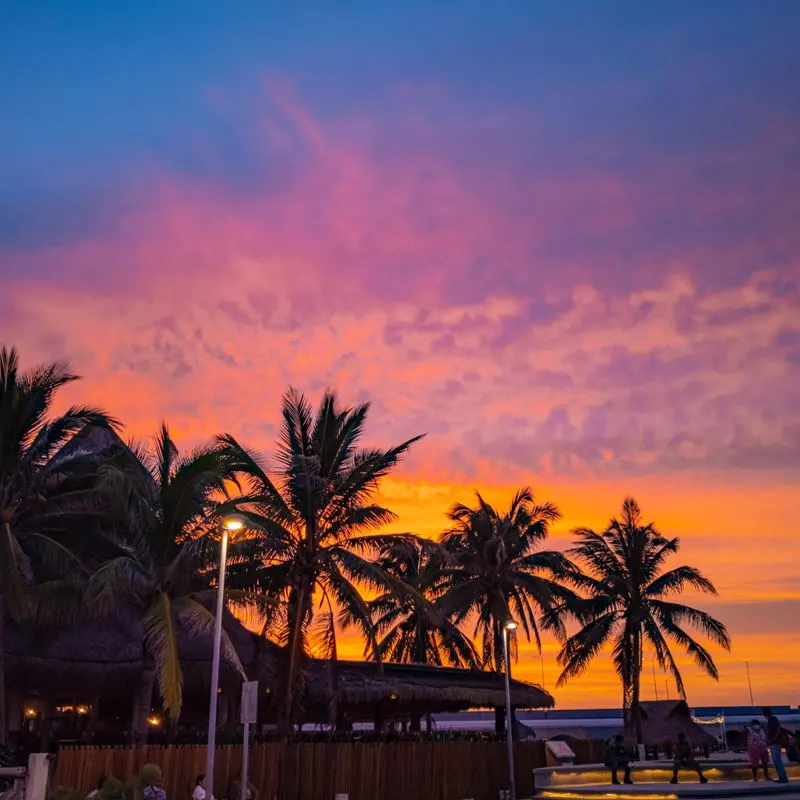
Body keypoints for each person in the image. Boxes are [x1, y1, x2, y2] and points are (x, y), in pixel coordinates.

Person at [763, 707, 789, 784]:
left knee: (777, 760)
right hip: (773, 743)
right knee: (775, 760)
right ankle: (781, 777)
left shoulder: (773, 719)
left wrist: (773, 739)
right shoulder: (770, 720)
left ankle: (783, 778)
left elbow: (778, 729)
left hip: (775, 743)